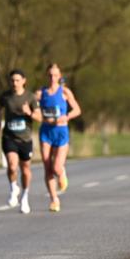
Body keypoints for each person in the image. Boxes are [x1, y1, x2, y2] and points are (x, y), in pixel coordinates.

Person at [35, 63, 82, 212]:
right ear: (46, 75)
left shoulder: (65, 92)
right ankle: (54, 199)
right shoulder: (40, 93)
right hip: (46, 132)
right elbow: (33, 110)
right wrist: (43, 118)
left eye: (55, 75)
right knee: (47, 166)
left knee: (56, 167)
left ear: (59, 76)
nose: (52, 78)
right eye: (50, 75)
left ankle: (61, 172)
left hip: (61, 131)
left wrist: (66, 116)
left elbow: (77, 110)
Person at [0, 69, 41, 214]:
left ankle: (25, 197)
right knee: (11, 165)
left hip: (25, 139)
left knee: (26, 170)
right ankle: (13, 188)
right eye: (12, 80)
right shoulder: (5, 96)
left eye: (17, 80)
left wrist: (29, 112)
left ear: (24, 81)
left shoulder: (30, 97)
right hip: (9, 137)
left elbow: (39, 117)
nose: (14, 83)